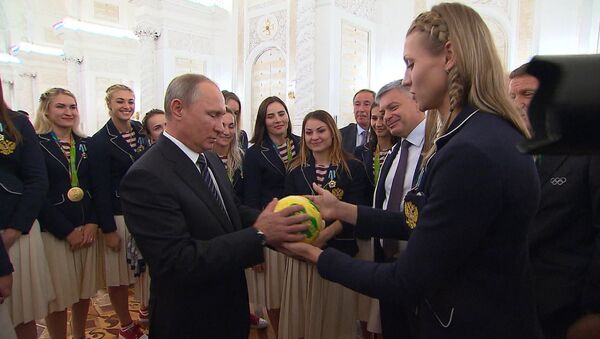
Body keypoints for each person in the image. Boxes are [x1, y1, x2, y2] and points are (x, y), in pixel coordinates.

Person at [283, 3, 542, 338]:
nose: (406, 78)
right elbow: (421, 222)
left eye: (411, 63)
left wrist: (316, 256)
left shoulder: (470, 151)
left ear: (448, 56)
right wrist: (341, 210)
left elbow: (406, 280)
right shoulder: (486, 132)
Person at [119, 73, 308, 338]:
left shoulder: (207, 156)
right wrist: (260, 234)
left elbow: (229, 211)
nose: (222, 128)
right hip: (190, 320)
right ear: (178, 109)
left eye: (224, 116)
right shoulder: (146, 176)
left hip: (229, 308)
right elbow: (178, 262)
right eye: (213, 115)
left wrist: (276, 219)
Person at [509, 64, 600, 339]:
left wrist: (593, 311)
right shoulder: (513, 151)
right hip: (519, 302)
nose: (519, 103)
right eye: (512, 96)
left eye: (527, 93)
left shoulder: (588, 150)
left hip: (568, 310)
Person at [278, 109, 369, 339]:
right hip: (301, 256)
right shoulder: (296, 170)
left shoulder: (353, 167)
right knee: (302, 318)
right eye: (308, 132)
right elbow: (287, 209)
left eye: (320, 130)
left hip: (339, 252)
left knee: (335, 321)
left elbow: (356, 211)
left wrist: (324, 236)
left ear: (333, 133)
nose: (314, 137)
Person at [34, 88, 100, 339]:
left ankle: (80, 334)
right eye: (61, 106)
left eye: (72, 107)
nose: (68, 112)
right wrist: (66, 231)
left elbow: (96, 186)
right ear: (47, 111)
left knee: (84, 292)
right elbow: (38, 194)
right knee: (59, 296)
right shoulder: (37, 145)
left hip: (86, 228)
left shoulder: (86, 144)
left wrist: (93, 222)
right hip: (55, 230)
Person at [89, 84, 149, 339]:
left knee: (146, 270)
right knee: (119, 276)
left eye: (131, 101)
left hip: (145, 212)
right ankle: (125, 323)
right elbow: (99, 188)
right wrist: (108, 229)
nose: (126, 106)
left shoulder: (140, 131)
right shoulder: (100, 141)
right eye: (120, 101)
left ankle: (147, 308)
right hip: (118, 214)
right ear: (109, 105)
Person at [0, 78, 52, 339]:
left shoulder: (16, 123)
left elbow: (36, 180)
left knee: (21, 312)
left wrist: (12, 231)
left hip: (17, 231)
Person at [243, 96, 300, 331]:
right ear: (263, 122)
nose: (278, 120)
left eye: (281, 113)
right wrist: (255, 247)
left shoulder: (303, 143)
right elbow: (251, 199)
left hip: (301, 227)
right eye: (271, 116)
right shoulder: (256, 153)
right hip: (273, 231)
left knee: (298, 294)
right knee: (275, 295)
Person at [213, 106, 268, 329]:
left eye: (231, 126)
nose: (226, 131)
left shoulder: (242, 158)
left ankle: (244, 313)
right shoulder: (205, 159)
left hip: (240, 225)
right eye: (222, 126)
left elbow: (245, 198)